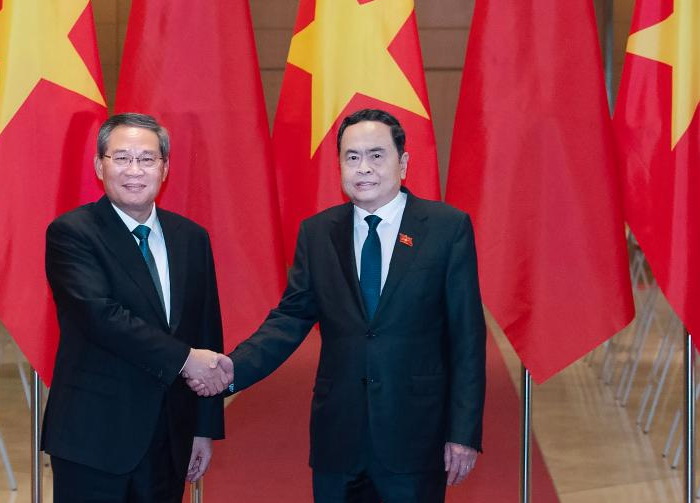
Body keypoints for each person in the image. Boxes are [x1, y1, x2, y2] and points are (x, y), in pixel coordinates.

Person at [191, 109, 486, 502]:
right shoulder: (318, 233)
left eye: (376, 155)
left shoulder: (447, 228)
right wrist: (232, 370)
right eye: (352, 156)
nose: (363, 168)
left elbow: (467, 338)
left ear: (404, 162)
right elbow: (291, 318)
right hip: (338, 438)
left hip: (415, 435)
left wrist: (463, 433)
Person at [42, 113, 233, 503]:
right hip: (93, 440)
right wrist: (185, 359)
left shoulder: (191, 238)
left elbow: (207, 331)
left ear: (165, 169)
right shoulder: (72, 233)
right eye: (121, 158)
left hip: (168, 439)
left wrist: (203, 428)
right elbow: (101, 317)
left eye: (147, 159)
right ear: (100, 166)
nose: (134, 170)